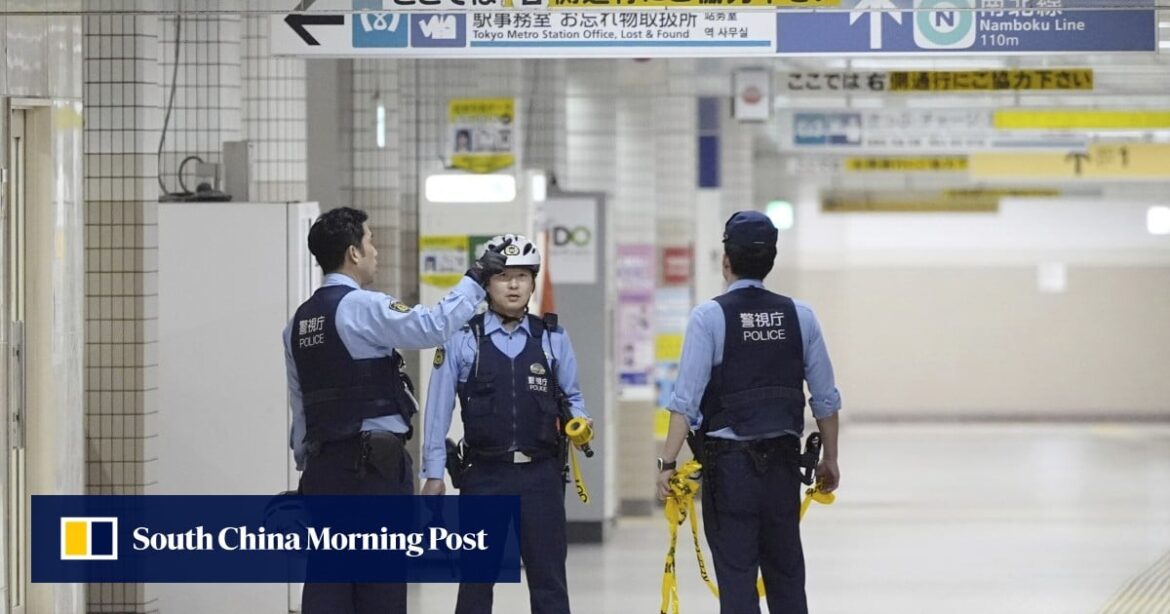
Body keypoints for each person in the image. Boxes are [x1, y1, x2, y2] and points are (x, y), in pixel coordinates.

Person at [284, 206, 508, 614]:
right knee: (380, 582)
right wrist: (476, 280)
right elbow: (432, 326)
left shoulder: (299, 323)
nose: (375, 250)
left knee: (327, 581)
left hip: (323, 473)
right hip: (372, 473)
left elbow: (301, 407)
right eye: (370, 241)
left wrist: (309, 469)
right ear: (353, 252)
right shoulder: (362, 307)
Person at [655, 210, 842, 614]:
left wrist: (668, 463)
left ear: (727, 260)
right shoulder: (800, 316)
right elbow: (825, 398)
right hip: (782, 467)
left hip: (730, 471)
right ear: (771, 260)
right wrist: (831, 458)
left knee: (738, 580)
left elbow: (684, 401)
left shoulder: (709, 317)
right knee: (787, 576)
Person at [420, 233, 589, 614]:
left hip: (541, 477)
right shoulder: (463, 340)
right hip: (483, 476)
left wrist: (582, 422)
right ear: (487, 283)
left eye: (522, 276)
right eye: (502, 276)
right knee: (477, 581)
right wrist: (433, 473)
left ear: (533, 282)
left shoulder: (553, 339)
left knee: (549, 582)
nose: (513, 285)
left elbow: (574, 398)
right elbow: (438, 410)